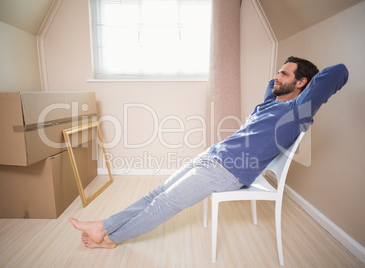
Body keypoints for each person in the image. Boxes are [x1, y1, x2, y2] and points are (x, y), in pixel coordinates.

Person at [70, 56, 349, 249]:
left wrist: (308, 86)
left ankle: (108, 233)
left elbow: (338, 71)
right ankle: (106, 230)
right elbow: (271, 87)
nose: (276, 77)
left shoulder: (297, 111)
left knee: (165, 204)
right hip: (212, 156)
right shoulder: (271, 105)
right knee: (155, 194)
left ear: (302, 84)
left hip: (227, 171)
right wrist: (282, 78)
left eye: (284, 74)